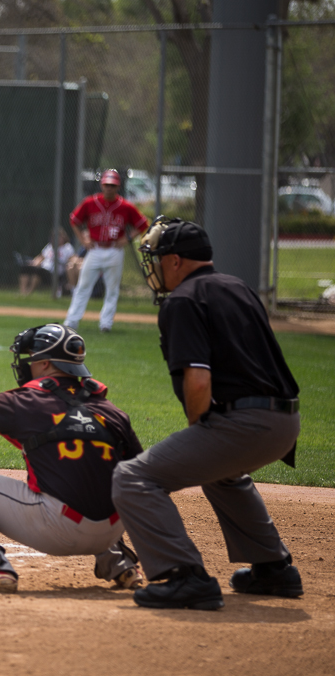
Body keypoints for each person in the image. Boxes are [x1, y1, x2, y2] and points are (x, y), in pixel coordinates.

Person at [112, 218, 302, 611]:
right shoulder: (238, 287)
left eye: (159, 258)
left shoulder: (183, 299)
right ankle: (274, 568)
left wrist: (201, 430)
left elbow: (198, 381)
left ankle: (183, 577)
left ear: (177, 261)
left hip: (244, 423)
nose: (155, 267)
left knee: (132, 476)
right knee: (222, 475)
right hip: (286, 421)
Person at [0, 324, 145, 593]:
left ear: (46, 364)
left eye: (33, 359)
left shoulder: (28, 401)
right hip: (113, 530)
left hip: (58, 530)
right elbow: (140, 478)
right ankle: (121, 565)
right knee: (93, 472)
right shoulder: (111, 410)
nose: (28, 364)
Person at [63, 169, 149, 333]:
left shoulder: (125, 206)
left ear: (117, 187)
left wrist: (128, 239)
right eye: (107, 184)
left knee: (112, 289)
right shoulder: (90, 202)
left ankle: (106, 324)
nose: (109, 188)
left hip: (114, 251)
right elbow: (74, 220)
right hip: (95, 249)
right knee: (83, 286)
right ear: (102, 185)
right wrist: (82, 240)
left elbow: (142, 224)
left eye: (112, 185)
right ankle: (71, 321)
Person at [17, 229, 77, 297]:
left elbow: (73, 258)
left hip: (55, 272)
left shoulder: (67, 247)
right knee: (25, 268)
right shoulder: (49, 246)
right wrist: (34, 263)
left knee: (38, 271)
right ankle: (23, 292)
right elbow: (41, 257)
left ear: (63, 237)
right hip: (44, 268)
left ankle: (29, 293)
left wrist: (72, 262)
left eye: (59, 237)